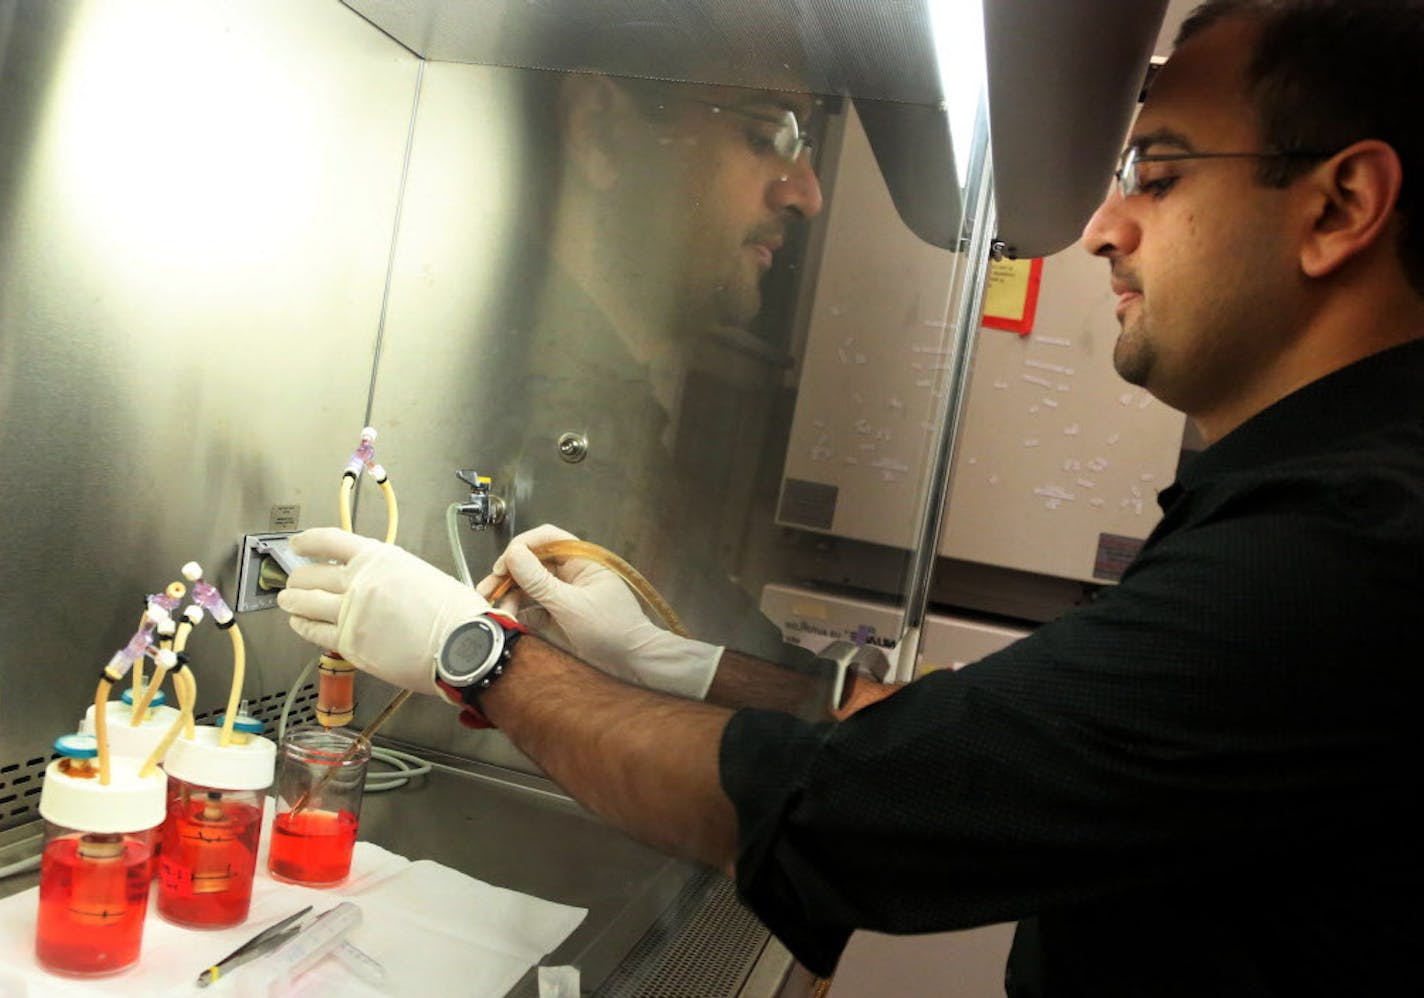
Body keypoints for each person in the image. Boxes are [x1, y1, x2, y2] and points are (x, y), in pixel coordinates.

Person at [279, 0, 1424, 993]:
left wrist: (476, 657)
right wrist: (675, 664)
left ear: (1338, 205)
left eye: (1160, 176)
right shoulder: (1325, 517)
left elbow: (860, 810)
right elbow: (985, 742)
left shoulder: (1337, 557)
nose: (1101, 230)